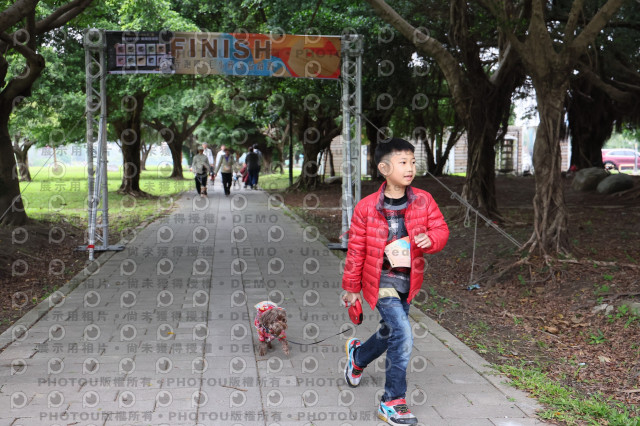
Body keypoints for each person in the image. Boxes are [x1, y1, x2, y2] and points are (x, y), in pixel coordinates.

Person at [341, 138, 449, 425]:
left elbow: (441, 228)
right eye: (403, 162)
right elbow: (356, 250)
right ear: (384, 168)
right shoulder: (366, 208)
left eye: (412, 162)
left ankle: (358, 357)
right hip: (380, 281)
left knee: (389, 333)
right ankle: (392, 401)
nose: (410, 167)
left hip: (407, 282)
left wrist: (431, 239)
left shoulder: (424, 200)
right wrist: (351, 288)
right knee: (403, 334)